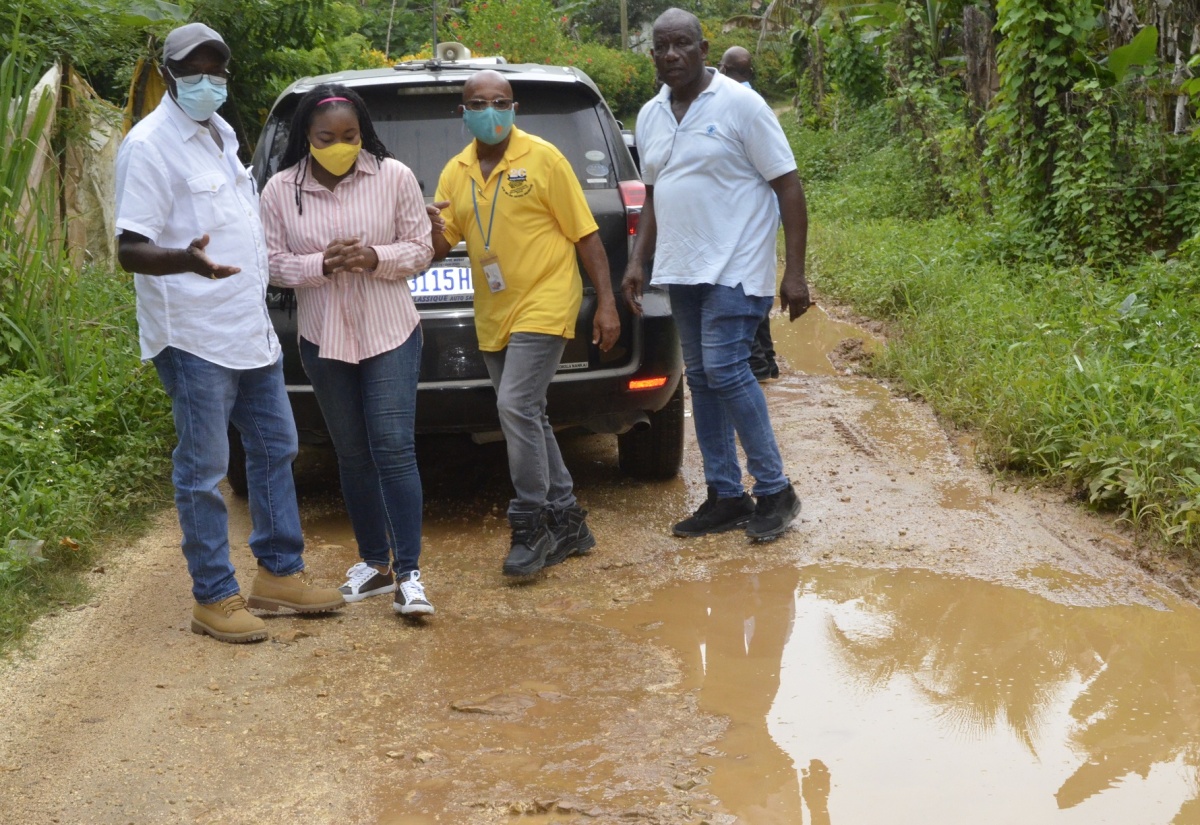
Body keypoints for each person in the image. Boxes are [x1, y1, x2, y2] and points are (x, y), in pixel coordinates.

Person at [115, 22, 344, 644]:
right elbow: (129, 249)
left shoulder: (219, 134)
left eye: (217, 70)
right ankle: (213, 596)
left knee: (276, 447)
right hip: (192, 335)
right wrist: (186, 260)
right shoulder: (149, 145)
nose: (208, 81)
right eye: (195, 70)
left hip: (248, 329)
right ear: (168, 74)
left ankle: (279, 575)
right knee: (204, 469)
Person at [622, 8, 811, 542]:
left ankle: (776, 490)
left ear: (704, 50)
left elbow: (789, 186)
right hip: (683, 268)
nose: (671, 55)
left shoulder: (740, 104)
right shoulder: (652, 114)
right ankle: (726, 495)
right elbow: (654, 194)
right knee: (701, 378)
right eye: (662, 47)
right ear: (653, 54)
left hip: (737, 262)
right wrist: (638, 261)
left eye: (683, 45)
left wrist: (794, 273)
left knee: (726, 369)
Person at [431, 70, 621, 578]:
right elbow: (439, 246)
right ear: (463, 112)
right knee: (530, 414)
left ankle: (531, 524)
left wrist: (606, 303)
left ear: (514, 108)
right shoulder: (456, 171)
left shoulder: (544, 158)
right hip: (494, 310)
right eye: (479, 102)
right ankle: (570, 520)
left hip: (547, 299)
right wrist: (424, 227)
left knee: (514, 404)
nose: (490, 110)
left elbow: (587, 236)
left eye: (501, 101)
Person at [260, 85, 436, 616]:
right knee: (353, 454)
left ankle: (409, 575)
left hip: (390, 333)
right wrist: (321, 264)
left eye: (350, 136)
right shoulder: (279, 191)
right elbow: (270, 261)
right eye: (327, 138)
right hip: (324, 338)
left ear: (363, 132)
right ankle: (374, 565)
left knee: (393, 448)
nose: (341, 145)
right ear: (306, 139)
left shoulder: (394, 176)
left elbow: (422, 248)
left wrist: (374, 256)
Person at [718, 45, 779, 383]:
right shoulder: (755, 101)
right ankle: (767, 363)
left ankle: (756, 364)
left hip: (745, 219)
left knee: (740, 294)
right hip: (764, 216)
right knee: (755, 290)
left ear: (725, 69)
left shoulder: (734, 104)